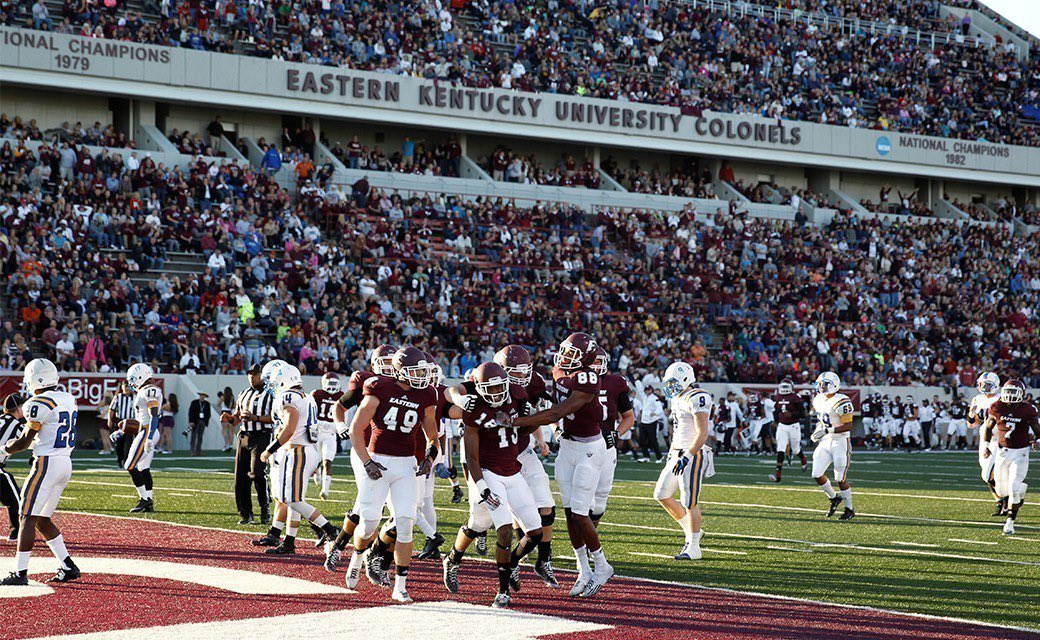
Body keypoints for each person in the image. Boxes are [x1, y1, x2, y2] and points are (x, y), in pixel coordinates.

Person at [512, 333, 612, 598]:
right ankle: (584, 569)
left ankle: (601, 566)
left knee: (580, 513)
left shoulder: (588, 378)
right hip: (567, 446)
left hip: (589, 449)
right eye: (565, 350)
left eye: (572, 353)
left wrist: (514, 423)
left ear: (586, 359)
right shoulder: (558, 371)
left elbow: (557, 412)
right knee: (569, 513)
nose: (565, 356)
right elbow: (553, 402)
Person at [441, 362, 543, 609]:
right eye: (491, 389)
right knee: (504, 529)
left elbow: (525, 430)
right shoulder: (474, 408)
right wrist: (482, 485)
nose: (497, 394)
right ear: (479, 388)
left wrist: (528, 417)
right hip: (488, 472)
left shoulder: (517, 394)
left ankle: (501, 562)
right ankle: (502, 590)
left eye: (500, 388)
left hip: (513, 470)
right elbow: (472, 456)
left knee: (535, 532)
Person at [343, 347, 440, 604]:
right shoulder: (378, 387)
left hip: (406, 464)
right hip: (378, 461)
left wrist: (430, 457)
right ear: (400, 371)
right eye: (416, 371)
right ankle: (357, 556)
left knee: (406, 521)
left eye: (424, 371)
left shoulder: (427, 394)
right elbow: (356, 429)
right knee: (370, 522)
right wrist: (366, 462)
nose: (422, 376)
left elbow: (433, 435)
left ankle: (401, 585)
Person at [0, 359, 80, 585]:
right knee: (42, 520)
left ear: (35, 379)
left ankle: (20, 573)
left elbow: (24, 441)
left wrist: (4, 448)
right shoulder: (68, 398)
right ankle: (68, 565)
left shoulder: (37, 403)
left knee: (25, 517)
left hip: (46, 464)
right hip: (65, 462)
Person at [322, 344, 396, 570]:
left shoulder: (404, 384)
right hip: (364, 449)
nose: (389, 368)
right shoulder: (366, 381)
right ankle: (365, 553)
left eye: (392, 363)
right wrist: (340, 424)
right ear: (373, 365)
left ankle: (345, 547)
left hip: (394, 453)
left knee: (377, 508)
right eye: (384, 363)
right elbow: (340, 406)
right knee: (368, 506)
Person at [491, 344, 557, 586]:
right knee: (506, 515)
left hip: (523, 449)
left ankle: (544, 560)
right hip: (498, 456)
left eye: (524, 371)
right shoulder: (489, 383)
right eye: (515, 372)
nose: (521, 377)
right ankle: (512, 563)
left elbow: (535, 413)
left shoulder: (534, 382)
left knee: (547, 506)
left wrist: (540, 439)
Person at [259, 362, 340, 555]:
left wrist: (269, 450)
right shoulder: (308, 397)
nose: (272, 384)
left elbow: (289, 428)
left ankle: (330, 530)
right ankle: (289, 541)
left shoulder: (287, 397)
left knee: (292, 500)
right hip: (307, 449)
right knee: (295, 499)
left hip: (296, 451)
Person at [655, 362, 714, 560]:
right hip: (677, 453)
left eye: (673, 382)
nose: (670, 386)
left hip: (692, 453)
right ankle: (692, 530)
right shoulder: (677, 399)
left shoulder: (697, 396)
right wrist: (672, 453)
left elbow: (703, 432)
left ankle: (694, 547)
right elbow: (679, 430)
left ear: (686, 379)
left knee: (689, 501)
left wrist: (687, 455)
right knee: (662, 494)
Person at [987, 379, 1040, 535]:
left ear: (1021, 394)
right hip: (1002, 452)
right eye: (1008, 391)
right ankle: (1021, 492)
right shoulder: (996, 406)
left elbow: (1037, 430)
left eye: (1013, 392)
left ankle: (1010, 522)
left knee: (1013, 489)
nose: (1009, 395)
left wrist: (1037, 441)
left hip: (1020, 452)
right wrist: (985, 444)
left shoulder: (1028, 409)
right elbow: (988, 427)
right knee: (1002, 490)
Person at [590, 346, 634, 530]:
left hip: (606, 444)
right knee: (581, 501)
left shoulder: (616, 383)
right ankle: (582, 544)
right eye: (591, 360)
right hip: (581, 442)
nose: (594, 365)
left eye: (598, 361)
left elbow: (629, 417)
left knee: (599, 503)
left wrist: (616, 434)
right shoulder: (575, 381)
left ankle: (591, 537)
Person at [110, 363, 163, 513]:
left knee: (130, 465)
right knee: (143, 468)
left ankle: (144, 500)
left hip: (147, 432)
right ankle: (149, 501)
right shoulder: (144, 391)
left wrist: (150, 437)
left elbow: (153, 416)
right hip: (145, 430)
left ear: (140, 377)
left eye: (132, 379)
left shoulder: (149, 391)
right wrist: (121, 432)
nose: (131, 383)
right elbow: (140, 418)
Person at [230, 364, 274, 526]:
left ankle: (265, 508)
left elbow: (275, 417)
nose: (251, 377)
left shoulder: (271, 394)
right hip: (243, 436)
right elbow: (236, 418)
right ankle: (245, 514)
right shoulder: (243, 393)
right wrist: (229, 418)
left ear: (262, 375)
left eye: (254, 374)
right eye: (249, 374)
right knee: (240, 478)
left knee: (257, 473)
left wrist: (255, 418)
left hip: (261, 436)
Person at [810, 372, 855, 521]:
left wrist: (827, 430)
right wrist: (817, 431)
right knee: (816, 474)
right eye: (820, 384)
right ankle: (834, 498)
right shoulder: (818, 399)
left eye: (825, 384)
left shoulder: (842, 400)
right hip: (826, 440)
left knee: (839, 478)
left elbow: (848, 426)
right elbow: (821, 421)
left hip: (840, 441)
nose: (822, 387)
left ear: (834, 384)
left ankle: (849, 509)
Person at [969, 372, 1002, 515]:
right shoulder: (977, 399)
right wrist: (971, 415)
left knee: (995, 471)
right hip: (985, 436)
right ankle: (1001, 500)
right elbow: (971, 425)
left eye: (988, 385)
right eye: (982, 385)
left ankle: (1004, 501)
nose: (984, 388)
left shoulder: (1001, 399)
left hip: (1000, 436)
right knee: (986, 474)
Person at [310, 373, 343, 500]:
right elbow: (311, 414)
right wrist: (321, 423)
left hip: (330, 435)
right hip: (317, 434)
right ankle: (316, 471)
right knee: (316, 461)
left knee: (327, 461)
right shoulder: (316, 394)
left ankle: (325, 490)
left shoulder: (341, 396)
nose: (332, 387)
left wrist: (337, 426)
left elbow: (343, 416)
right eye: (330, 383)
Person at [770, 378, 807, 483]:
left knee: (795, 450)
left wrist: (792, 414)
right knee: (781, 448)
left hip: (794, 426)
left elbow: (803, 414)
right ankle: (778, 475)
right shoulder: (777, 397)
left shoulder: (796, 397)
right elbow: (776, 411)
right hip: (782, 426)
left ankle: (803, 459)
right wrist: (775, 421)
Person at [0, 393, 25, 541]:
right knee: (17, 501)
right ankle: (17, 532)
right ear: (19, 408)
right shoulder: (16, 425)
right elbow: (28, 442)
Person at [105, 382, 135, 462]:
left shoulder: (135, 397)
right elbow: (111, 409)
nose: (127, 388)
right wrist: (110, 420)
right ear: (122, 387)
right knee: (119, 443)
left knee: (129, 443)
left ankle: (126, 461)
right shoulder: (118, 397)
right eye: (125, 386)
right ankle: (120, 459)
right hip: (120, 422)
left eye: (128, 386)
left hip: (131, 422)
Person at [636, 386, 664, 462]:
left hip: (651, 422)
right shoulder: (644, 397)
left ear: (651, 390)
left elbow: (659, 408)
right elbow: (639, 389)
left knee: (653, 440)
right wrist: (636, 380)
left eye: (648, 390)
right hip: (644, 422)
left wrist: (655, 413)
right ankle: (646, 457)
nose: (647, 391)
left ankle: (659, 457)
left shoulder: (654, 398)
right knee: (642, 440)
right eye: (646, 390)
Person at [187, 392, 212, 457]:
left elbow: (208, 414)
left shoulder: (207, 404)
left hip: (203, 421)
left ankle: (199, 451)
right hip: (195, 421)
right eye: (201, 395)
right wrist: (191, 421)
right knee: (193, 436)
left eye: (203, 396)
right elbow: (191, 412)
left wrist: (206, 421)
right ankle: (192, 451)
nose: (202, 397)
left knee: (200, 437)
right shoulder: (194, 402)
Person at [218, 386, 235, 452]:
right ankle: (230, 444)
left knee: (224, 430)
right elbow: (234, 406)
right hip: (230, 413)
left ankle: (226, 444)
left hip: (224, 413)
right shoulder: (232, 397)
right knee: (231, 431)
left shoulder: (223, 397)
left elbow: (218, 405)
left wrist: (221, 399)